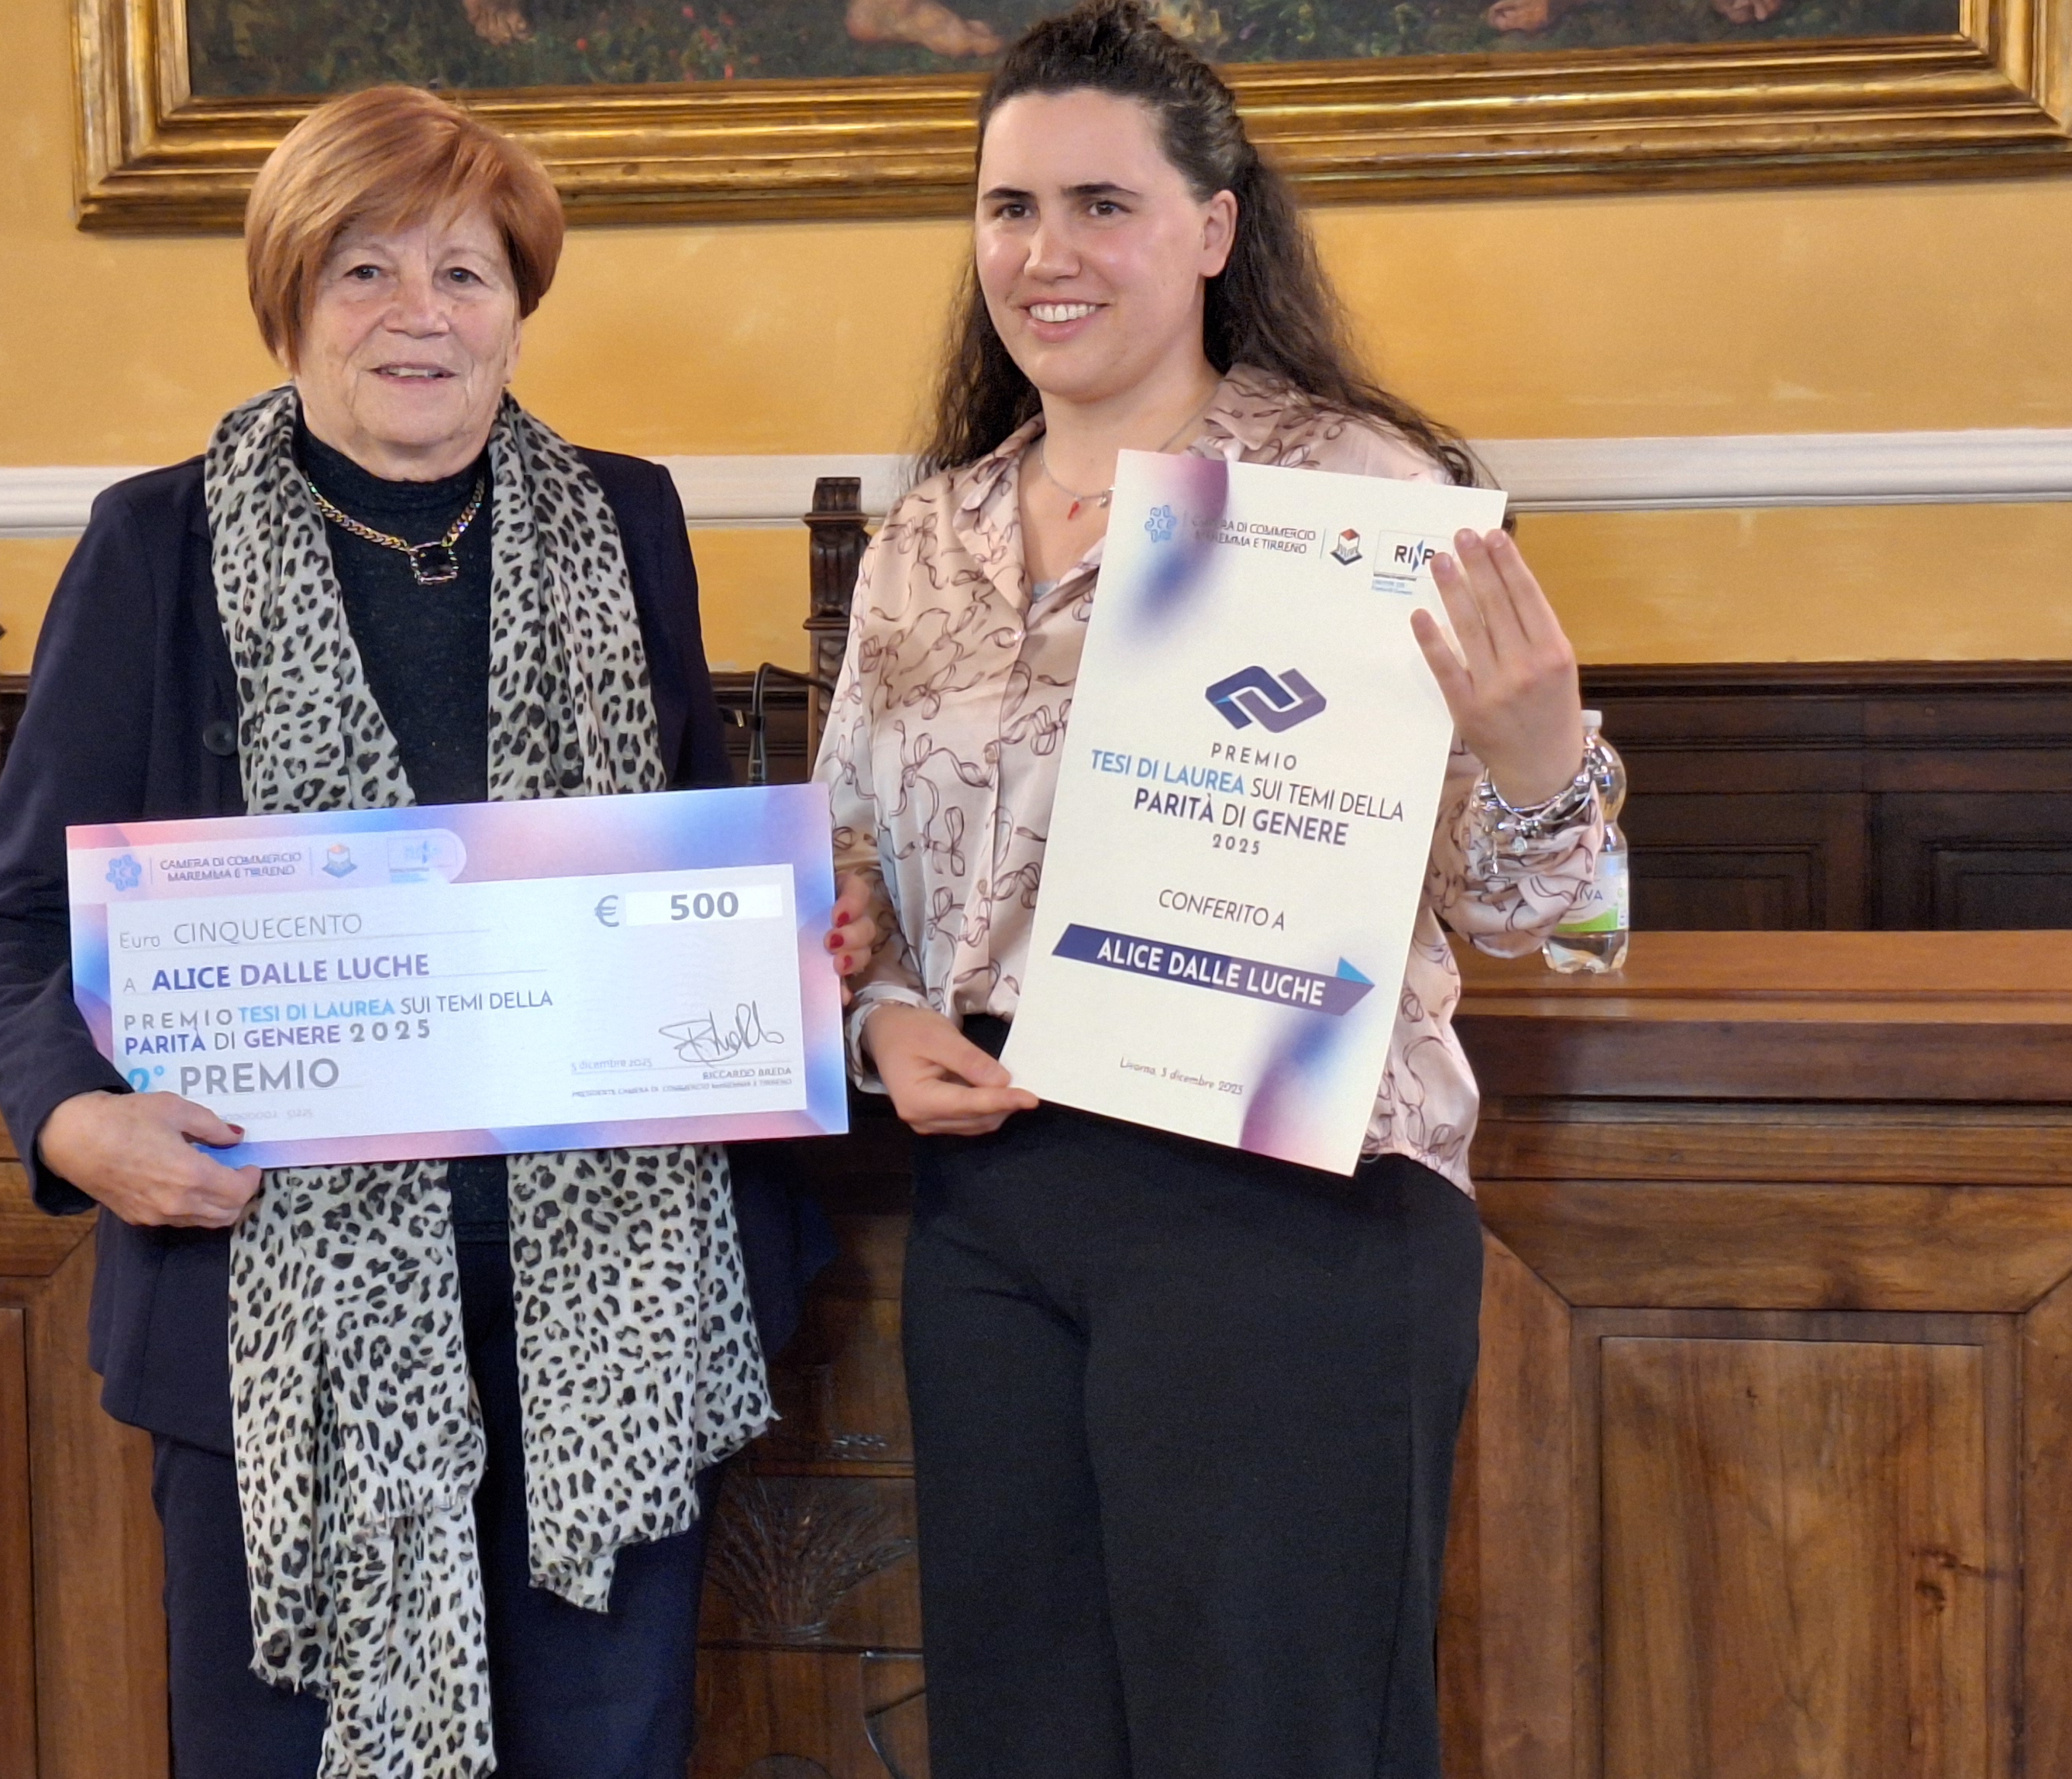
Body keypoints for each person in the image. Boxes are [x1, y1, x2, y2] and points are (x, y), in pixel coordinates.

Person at [0, 84, 855, 1779]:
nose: (416, 315)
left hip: (608, 1310)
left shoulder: (627, 522)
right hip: (277, 1318)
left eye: (463, 272)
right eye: (362, 271)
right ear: (287, 299)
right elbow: (4, 921)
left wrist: (783, 943)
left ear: (519, 306)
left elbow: (679, 858)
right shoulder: (155, 547)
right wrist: (74, 1122)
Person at [813, 5, 1606, 1776]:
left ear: (1215, 227)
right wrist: (882, 1019)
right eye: (1011, 207)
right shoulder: (929, 535)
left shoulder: (1366, 493)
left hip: (1288, 1205)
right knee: (1024, 1741)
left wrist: (1543, 752)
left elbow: (1558, 918)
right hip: (998, 1206)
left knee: (1274, 1737)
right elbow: (848, 853)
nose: (1048, 253)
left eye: (1103, 204)